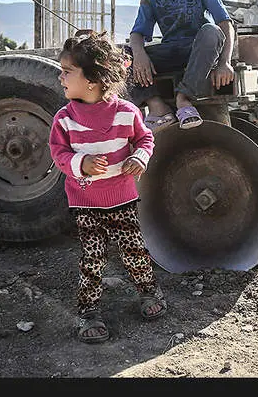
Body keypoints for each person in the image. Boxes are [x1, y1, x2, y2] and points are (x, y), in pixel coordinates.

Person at [48, 30, 166, 344]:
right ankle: (88, 311)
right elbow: (58, 153)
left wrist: (140, 156)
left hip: (123, 200)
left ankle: (148, 293)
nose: (60, 78)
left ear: (93, 80)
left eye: (67, 71)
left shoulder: (126, 113)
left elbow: (145, 138)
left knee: (135, 252)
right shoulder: (64, 120)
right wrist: (80, 163)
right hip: (86, 202)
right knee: (93, 258)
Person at [127, 0, 236, 132]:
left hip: (198, 52)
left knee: (211, 31)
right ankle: (157, 108)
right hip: (169, 52)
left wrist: (225, 63)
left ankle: (184, 99)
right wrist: (138, 54)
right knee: (121, 56)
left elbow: (225, 24)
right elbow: (137, 32)